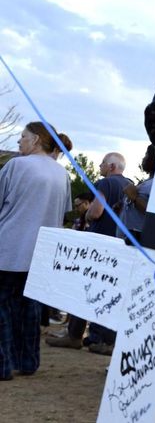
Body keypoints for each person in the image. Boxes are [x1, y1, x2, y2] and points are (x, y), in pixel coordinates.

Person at [0, 122, 71, 381]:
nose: (19, 142)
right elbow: (63, 212)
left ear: (37, 139)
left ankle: (3, 363)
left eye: (23, 136)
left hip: (9, 247)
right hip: (41, 252)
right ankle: (28, 361)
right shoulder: (62, 174)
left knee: (3, 304)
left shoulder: (16, 166)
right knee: (29, 307)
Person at [46, 152, 132, 355]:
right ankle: (103, 338)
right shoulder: (129, 185)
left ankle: (75, 335)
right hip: (120, 244)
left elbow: (96, 212)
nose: (100, 166)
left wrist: (87, 214)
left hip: (99, 243)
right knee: (110, 291)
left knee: (83, 286)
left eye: (102, 163)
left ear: (111, 167)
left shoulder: (105, 184)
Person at [117, 144, 155, 243]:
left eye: (147, 155)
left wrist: (135, 198)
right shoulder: (147, 182)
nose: (143, 159)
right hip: (124, 243)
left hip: (137, 246)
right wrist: (121, 208)